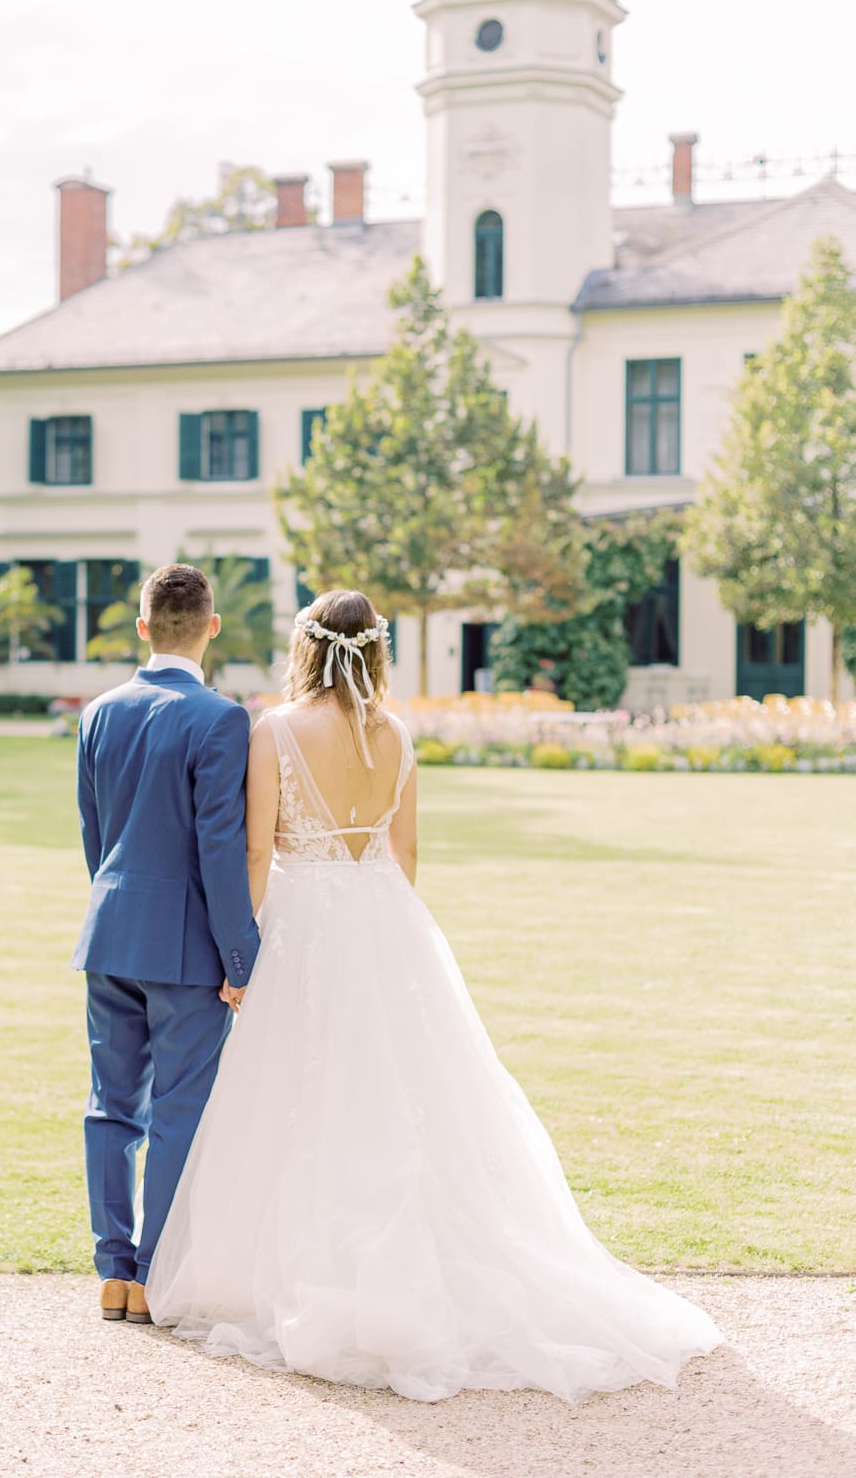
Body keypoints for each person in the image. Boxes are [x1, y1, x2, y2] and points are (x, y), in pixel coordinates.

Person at [146, 588, 722, 1402]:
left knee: (293, 1092)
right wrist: (382, 934)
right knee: (394, 1096)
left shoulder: (273, 729)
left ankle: (292, 1270)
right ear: (375, 650)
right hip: (383, 920)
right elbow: (404, 852)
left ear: (307, 649)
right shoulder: (399, 734)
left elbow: (253, 848)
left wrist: (244, 953)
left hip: (304, 918)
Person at [72, 563, 261, 1327]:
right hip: (185, 950)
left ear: (143, 625)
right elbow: (221, 848)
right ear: (212, 626)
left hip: (110, 933)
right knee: (179, 1110)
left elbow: (94, 834)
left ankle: (113, 1273)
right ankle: (154, 1273)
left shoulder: (97, 712)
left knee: (109, 1108)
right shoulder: (221, 718)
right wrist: (241, 957)